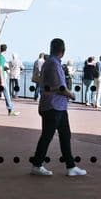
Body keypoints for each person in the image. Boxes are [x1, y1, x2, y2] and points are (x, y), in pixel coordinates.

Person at [29, 37, 86, 177]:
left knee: (64, 135)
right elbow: (60, 87)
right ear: (63, 51)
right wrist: (71, 95)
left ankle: (70, 166)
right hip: (54, 106)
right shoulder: (54, 64)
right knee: (48, 136)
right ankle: (37, 165)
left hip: (55, 106)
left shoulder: (50, 63)